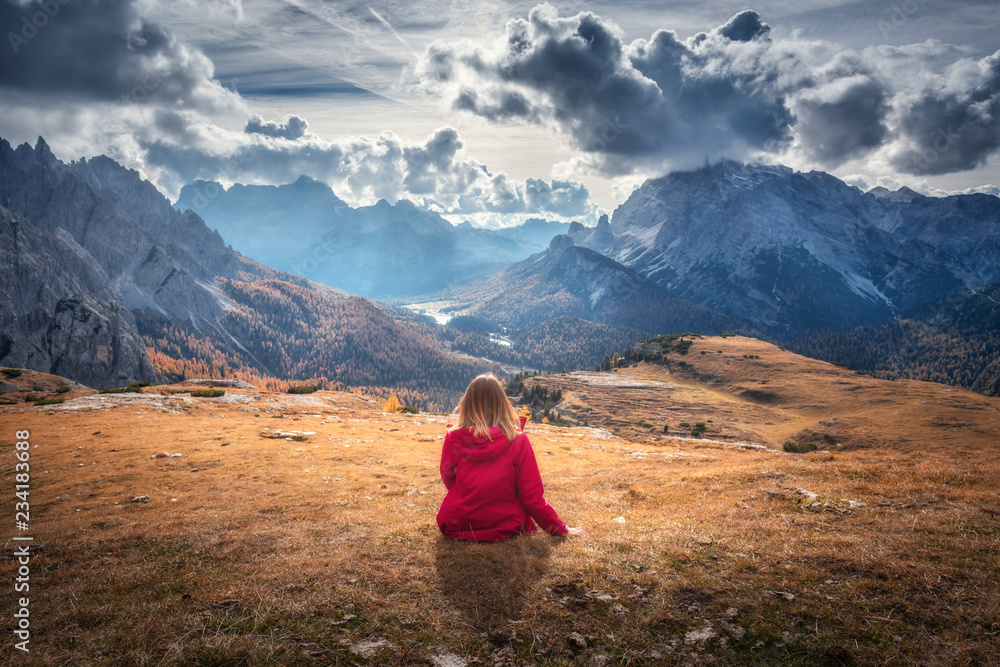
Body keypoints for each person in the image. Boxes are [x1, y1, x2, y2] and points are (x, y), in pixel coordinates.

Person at [436, 373, 589, 542]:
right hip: (508, 525)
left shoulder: (453, 438)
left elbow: (449, 479)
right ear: (502, 403)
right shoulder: (517, 440)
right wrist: (560, 529)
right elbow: (531, 498)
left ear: (467, 403)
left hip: (458, 524)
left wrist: (471, 494)